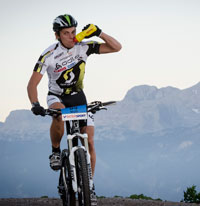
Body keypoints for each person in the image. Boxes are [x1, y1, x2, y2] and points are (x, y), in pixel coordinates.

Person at [27, 14, 121, 201]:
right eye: (66, 33)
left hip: (79, 98)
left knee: (90, 142)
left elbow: (117, 47)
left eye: (73, 32)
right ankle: (55, 150)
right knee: (60, 115)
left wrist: (99, 32)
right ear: (57, 35)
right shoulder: (49, 54)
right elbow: (32, 84)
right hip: (57, 96)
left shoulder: (83, 47)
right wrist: (35, 104)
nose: (71, 36)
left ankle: (90, 187)